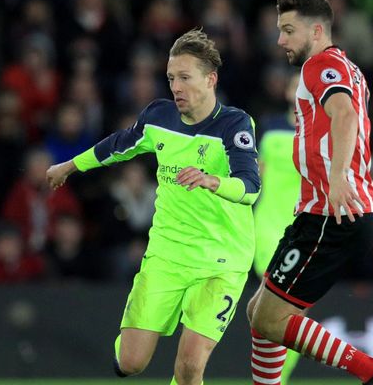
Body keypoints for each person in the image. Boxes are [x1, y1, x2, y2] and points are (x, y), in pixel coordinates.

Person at [45, 29, 260, 385]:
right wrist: (70, 165)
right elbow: (118, 145)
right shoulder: (159, 117)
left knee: (190, 366)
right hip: (167, 255)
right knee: (131, 363)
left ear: (211, 79)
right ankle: (128, 346)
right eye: (171, 78)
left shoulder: (235, 124)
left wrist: (213, 181)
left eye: (185, 78)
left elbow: (250, 187)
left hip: (222, 260)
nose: (176, 86)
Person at [246, 0, 373, 385]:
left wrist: (336, 180)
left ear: (316, 31)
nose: (280, 40)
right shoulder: (348, 68)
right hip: (320, 213)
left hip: (330, 214)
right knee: (259, 315)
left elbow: (345, 114)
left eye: (287, 30)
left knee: (270, 318)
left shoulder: (319, 66)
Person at [252, 72, 301, 384]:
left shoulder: (326, 132)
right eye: (297, 85)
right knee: (277, 306)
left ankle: (276, 378)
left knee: (291, 314)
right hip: (266, 225)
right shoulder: (268, 126)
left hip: (303, 230)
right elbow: (255, 174)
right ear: (287, 91)